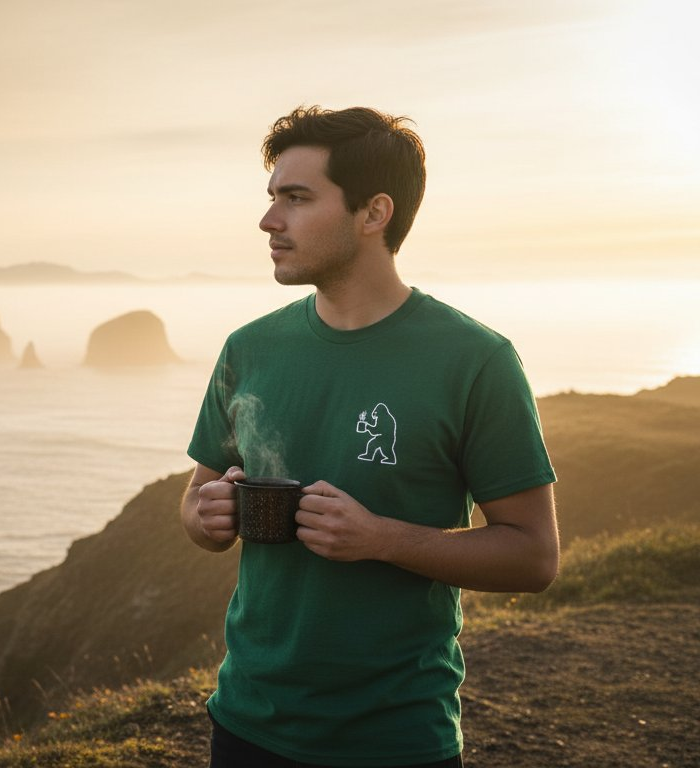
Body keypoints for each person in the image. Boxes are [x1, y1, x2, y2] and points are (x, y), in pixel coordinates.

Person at [181, 106, 559, 768]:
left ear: (374, 213)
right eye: (272, 199)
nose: (270, 221)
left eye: (296, 199)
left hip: (395, 741)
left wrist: (380, 539)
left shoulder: (475, 360)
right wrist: (206, 515)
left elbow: (533, 557)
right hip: (246, 725)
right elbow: (195, 500)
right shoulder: (250, 349)